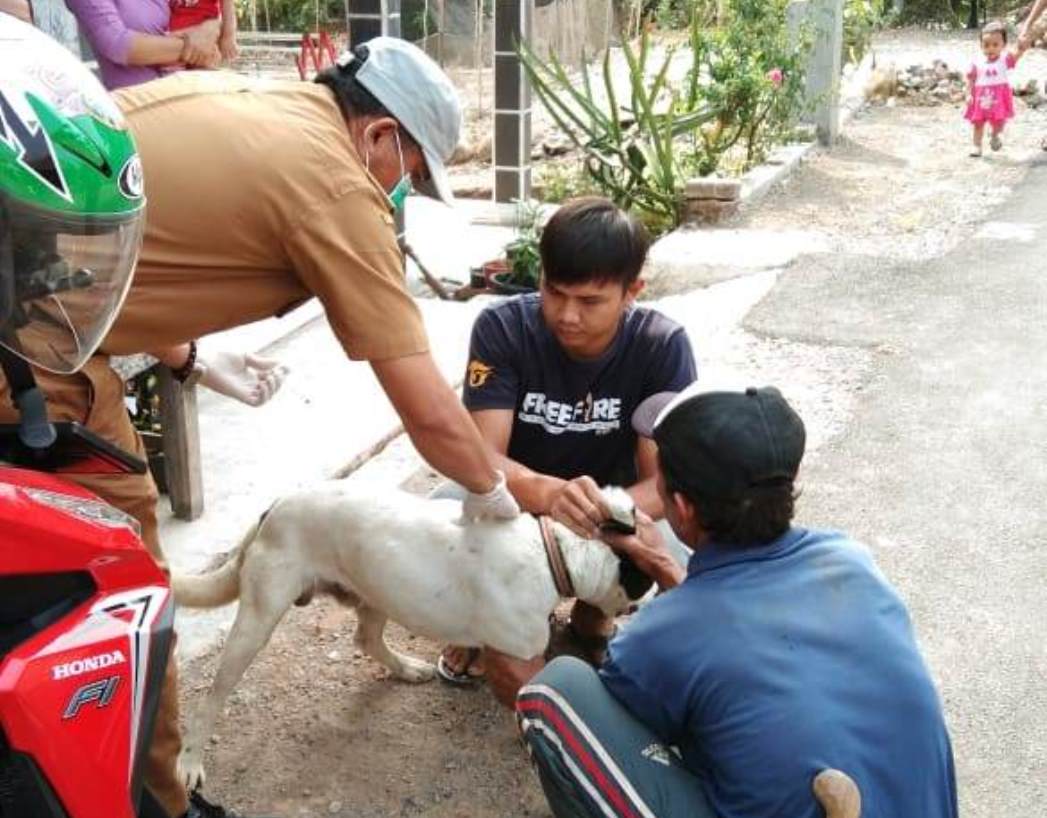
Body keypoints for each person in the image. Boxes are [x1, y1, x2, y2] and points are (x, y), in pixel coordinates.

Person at [1, 24, 518, 818]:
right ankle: (154, 801)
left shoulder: (263, 101)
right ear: (379, 133)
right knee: (119, 587)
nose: (401, 190)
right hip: (30, 359)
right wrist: (502, 498)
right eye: (409, 169)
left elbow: (97, 243)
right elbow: (428, 413)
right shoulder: (340, 183)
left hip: (42, 326)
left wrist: (189, 358)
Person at [508, 385, 959, 818]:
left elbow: (635, 726)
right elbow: (735, 639)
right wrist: (668, 569)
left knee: (557, 693)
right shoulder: (850, 561)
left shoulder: (666, 633)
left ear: (681, 510)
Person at [438, 197, 697, 685]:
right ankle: (481, 619)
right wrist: (550, 496)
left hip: (608, 508)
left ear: (632, 291)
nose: (567, 315)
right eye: (554, 293)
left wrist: (600, 510)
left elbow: (661, 483)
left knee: (678, 547)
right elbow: (482, 456)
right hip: (519, 500)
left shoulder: (662, 346)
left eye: (590, 301)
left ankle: (593, 610)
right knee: (447, 505)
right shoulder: (502, 328)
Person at [65, 0, 222, 90]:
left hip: (188, 91)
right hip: (137, 105)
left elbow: (201, 10)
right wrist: (192, 47)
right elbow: (116, 44)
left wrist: (210, 27)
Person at [965, 20, 1028, 157]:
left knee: (999, 122)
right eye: (986, 45)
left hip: (999, 98)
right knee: (978, 123)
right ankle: (977, 146)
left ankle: (994, 135)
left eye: (995, 45)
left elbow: (1017, 55)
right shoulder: (977, 61)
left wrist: (1022, 47)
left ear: (1003, 45)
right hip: (980, 98)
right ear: (981, 45)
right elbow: (971, 78)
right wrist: (969, 94)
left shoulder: (1005, 59)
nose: (990, 49)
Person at [167, 0, 238, 70]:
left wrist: (228, 37)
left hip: (205, 37)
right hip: (177, 36)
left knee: (204, 67)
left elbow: (228, 8)